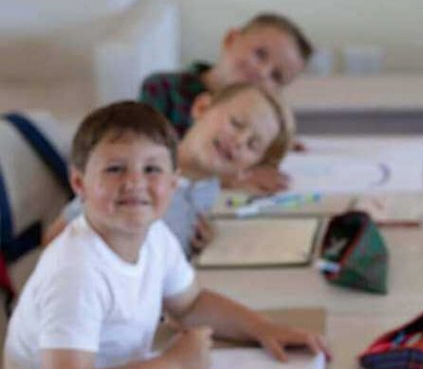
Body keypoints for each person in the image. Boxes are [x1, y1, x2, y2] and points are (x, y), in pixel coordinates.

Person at [0, 101, 326, 369]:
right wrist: (176, 365)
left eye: (152, 169)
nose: (135, 183)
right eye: (115, 169)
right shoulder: (74, 270)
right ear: (80, 184)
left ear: (173, 185)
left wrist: (263, 328)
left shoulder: (152, 236)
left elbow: (189, 304)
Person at [46, 82, 293, 256]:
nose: (239, 141)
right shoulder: (140, 175)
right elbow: (54, 239)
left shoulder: (207, 187)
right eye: (236, 123)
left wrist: (192, 246)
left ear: (248, 167)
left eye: (252, 145)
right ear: (202, 108)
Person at [140, 11, 311, 195]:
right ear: (231, 39)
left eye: (276, 76)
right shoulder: (163, 87)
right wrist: (229, 179)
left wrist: (269, 145)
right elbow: (147, 159)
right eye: (260, 54)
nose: (262, 72)